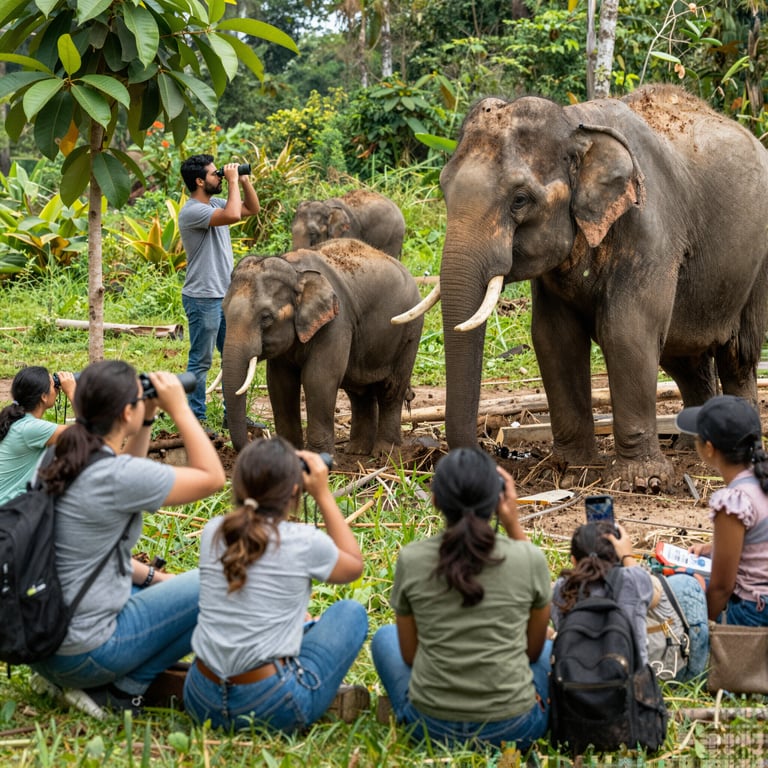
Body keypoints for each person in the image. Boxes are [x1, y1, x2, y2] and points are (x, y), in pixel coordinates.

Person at [30, 360, 226, 718]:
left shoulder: (58, 456)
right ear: (124, 412)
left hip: (41, 642)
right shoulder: (114, 475)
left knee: (159, 591)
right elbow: (212, 477)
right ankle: (122, 693)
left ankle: (64, 682)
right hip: (82, 655)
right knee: (220, 581)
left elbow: (127, 476)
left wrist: (147, 416)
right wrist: (179, 407)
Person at [370, 448, 552, 751]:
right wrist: (513, 525)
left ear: (435, 500)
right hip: (515, 728)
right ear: (499, 498)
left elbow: (411, 656)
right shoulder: (528, 557)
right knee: (551, 646)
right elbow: (532, 653)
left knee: (384, 637)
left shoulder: (411, 558)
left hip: (430, 725)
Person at [183, 436, 367, 732]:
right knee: (350, 613)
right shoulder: (304, 541)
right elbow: (353, 566)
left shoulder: (214, 531)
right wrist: (322, 495)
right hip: (270, 704)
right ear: (295, 488)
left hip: (200, 697)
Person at [178, 154, 260, 428]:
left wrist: (244, 181)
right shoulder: (193, 211)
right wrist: (234, 180)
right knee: (201, 361)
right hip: (203, 297)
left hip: (225, 296)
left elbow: (252, 209)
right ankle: (196, 420)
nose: (221, 177)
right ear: (199, 181)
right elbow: (234, 215)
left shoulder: (214, 202)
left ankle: (232, 417)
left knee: (234, 358)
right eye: (215, 174)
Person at [677, 394, 768, 625]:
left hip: (753, 611)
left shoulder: (733, 501)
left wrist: (699, 628)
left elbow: (721, 587)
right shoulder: (761, 480)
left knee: (681, 590)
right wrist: (713, 548)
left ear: (709, 448)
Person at [0, 366, 76, 505]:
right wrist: (72, 391)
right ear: (43, 396)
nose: (57, 389)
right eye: (54, 386)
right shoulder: (31, 429)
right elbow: (86, 433)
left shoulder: (16, 421)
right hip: (8, 516)